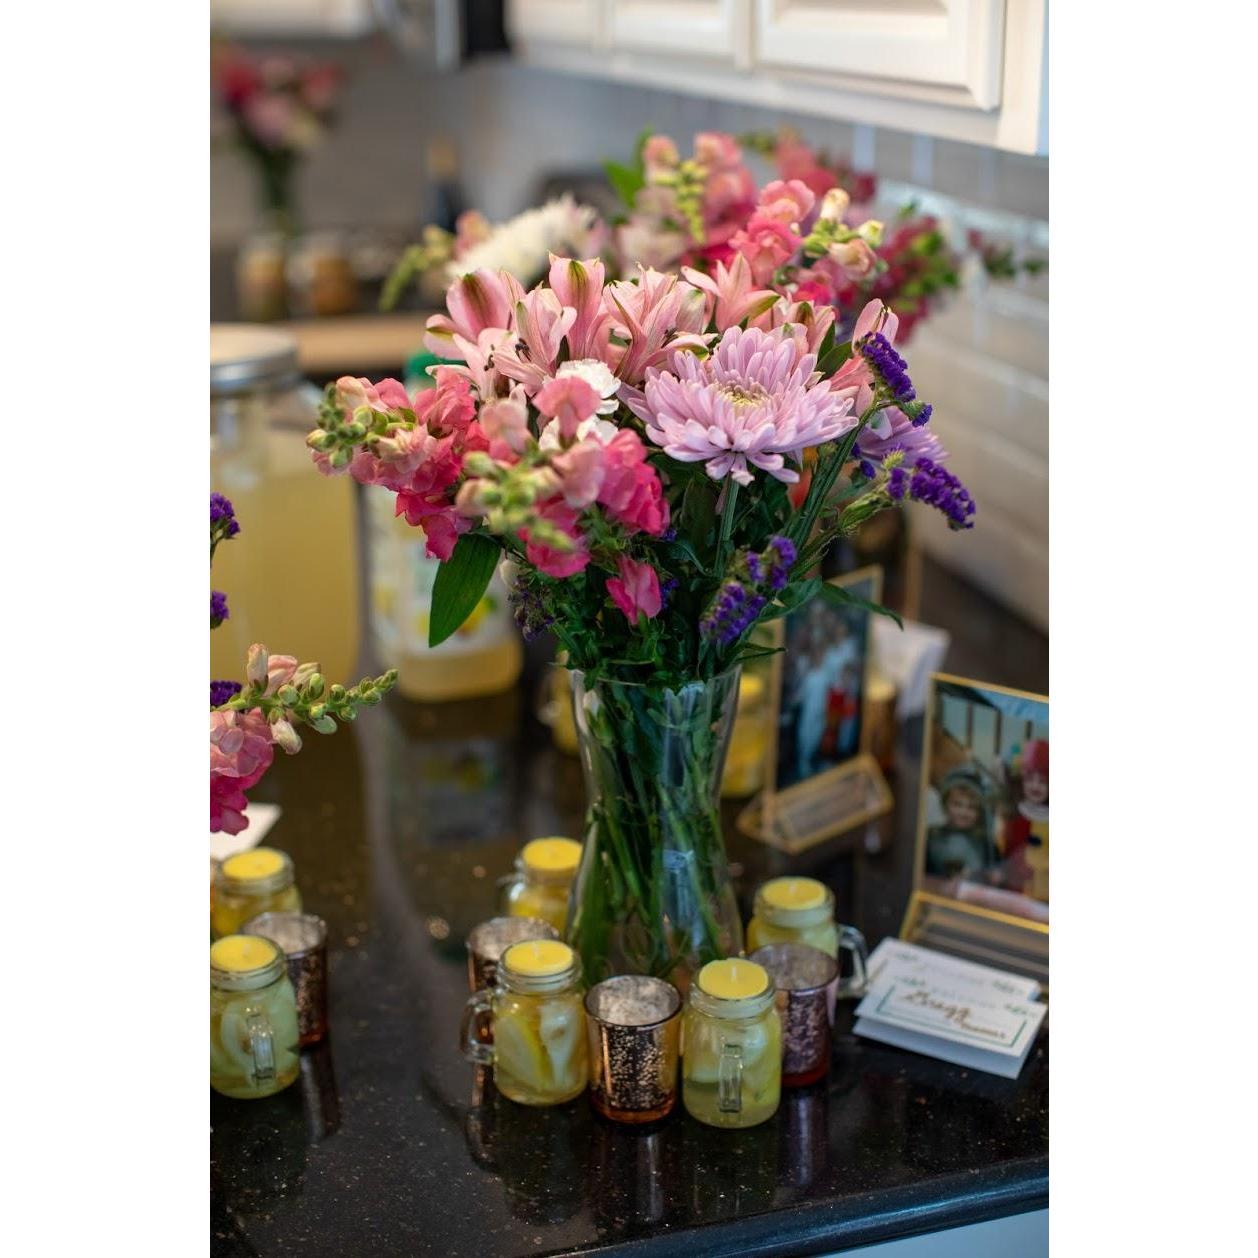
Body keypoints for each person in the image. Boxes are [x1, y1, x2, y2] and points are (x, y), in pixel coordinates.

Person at [926, 766, 997, 878]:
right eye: (957, 804)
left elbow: (995, 875)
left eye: (972, 807)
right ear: (945, 806)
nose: (963, 813)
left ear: (979, 813)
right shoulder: (930, 837)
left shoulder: (987, 845)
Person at [999, 740, 1049, 899]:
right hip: (1013, 889)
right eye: (1029, 779)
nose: (1035, 786)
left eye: (1042, 781)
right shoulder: (1015, 814)